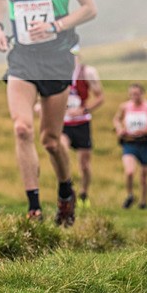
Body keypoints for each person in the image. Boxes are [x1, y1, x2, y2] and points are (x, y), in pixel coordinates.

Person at [0, 0, 97, 226]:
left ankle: (66, 190)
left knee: (51, 140)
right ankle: (34, 208)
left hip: (56, 59)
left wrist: (56, 25)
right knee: (21, 128)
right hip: (22, 58)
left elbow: (90, 8)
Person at [60, 54, 104, 208]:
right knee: (61, 151)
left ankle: (84, 193)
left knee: (84, 164)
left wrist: (83, 109)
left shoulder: (87, 72)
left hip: (82, 124)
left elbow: (100, 97)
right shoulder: (55, 71)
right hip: (63, 124)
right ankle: (66, 189)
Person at [113, 83, 147, 209]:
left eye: (137, 94)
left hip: (145, 143)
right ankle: (130, 195)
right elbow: (116, 119)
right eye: (132, 94)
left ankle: (143, 202)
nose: (135, 96)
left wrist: (145, 131)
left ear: (142, 94)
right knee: (129, 171)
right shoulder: (124, 107)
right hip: (129, 143)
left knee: (144, 176)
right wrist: (119, 129)